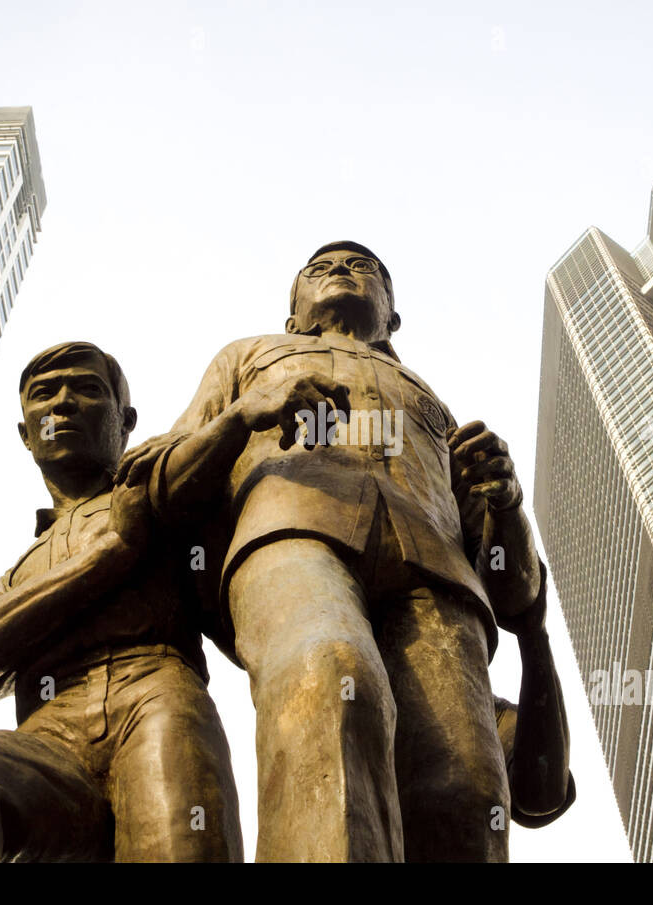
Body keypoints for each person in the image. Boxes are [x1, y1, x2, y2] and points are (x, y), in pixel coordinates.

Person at [131, 241, 559, 861]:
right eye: (320, 266)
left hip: (437, 577)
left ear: (393, 315)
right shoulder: (248, 357)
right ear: (291, 313)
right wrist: (246, 413)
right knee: (329, 678)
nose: (341, 269)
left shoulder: (432, 401)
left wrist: (507, 502)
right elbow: (155, 485)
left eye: (365, 268)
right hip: (292, 538)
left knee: (465, 783)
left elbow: (514, 589)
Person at [0, 342, 242, 862]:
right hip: (48, 740)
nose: (62, 403)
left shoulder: (169, 508)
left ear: (126, 422)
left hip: (158, 702)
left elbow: (251, 621)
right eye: (43, 395)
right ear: (25, 436)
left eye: (87, 388)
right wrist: (110, 554)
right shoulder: (21, 570)